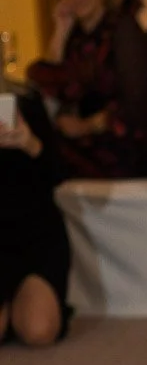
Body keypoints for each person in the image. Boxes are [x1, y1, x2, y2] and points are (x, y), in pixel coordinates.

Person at [27, 0, 147, 179]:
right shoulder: (76, 36)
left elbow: (137, 107)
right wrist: (60, 30)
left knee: (36, 160)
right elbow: (47, 82)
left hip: (122, 147)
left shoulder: (123, 30)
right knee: (28, 151)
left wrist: (85, 126)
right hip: (87, 143)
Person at [0, 87, 71, 345]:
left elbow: (59, 174)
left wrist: (30, 143)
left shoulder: (27, 102)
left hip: (36, 238)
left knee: (39, 331)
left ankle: (22, 303)